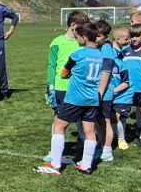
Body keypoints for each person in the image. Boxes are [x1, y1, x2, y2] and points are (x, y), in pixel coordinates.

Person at [37, 18, 114, 175]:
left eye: (77, 37)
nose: (76, 39)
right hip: (93, 98)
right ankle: (86, 165)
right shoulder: (102, 56)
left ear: (84, 38)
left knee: (59, 126)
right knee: (90, 131)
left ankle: (55, 164)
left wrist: (71, 74)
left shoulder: (77, 54)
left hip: (75, 98)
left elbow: (64, 73)